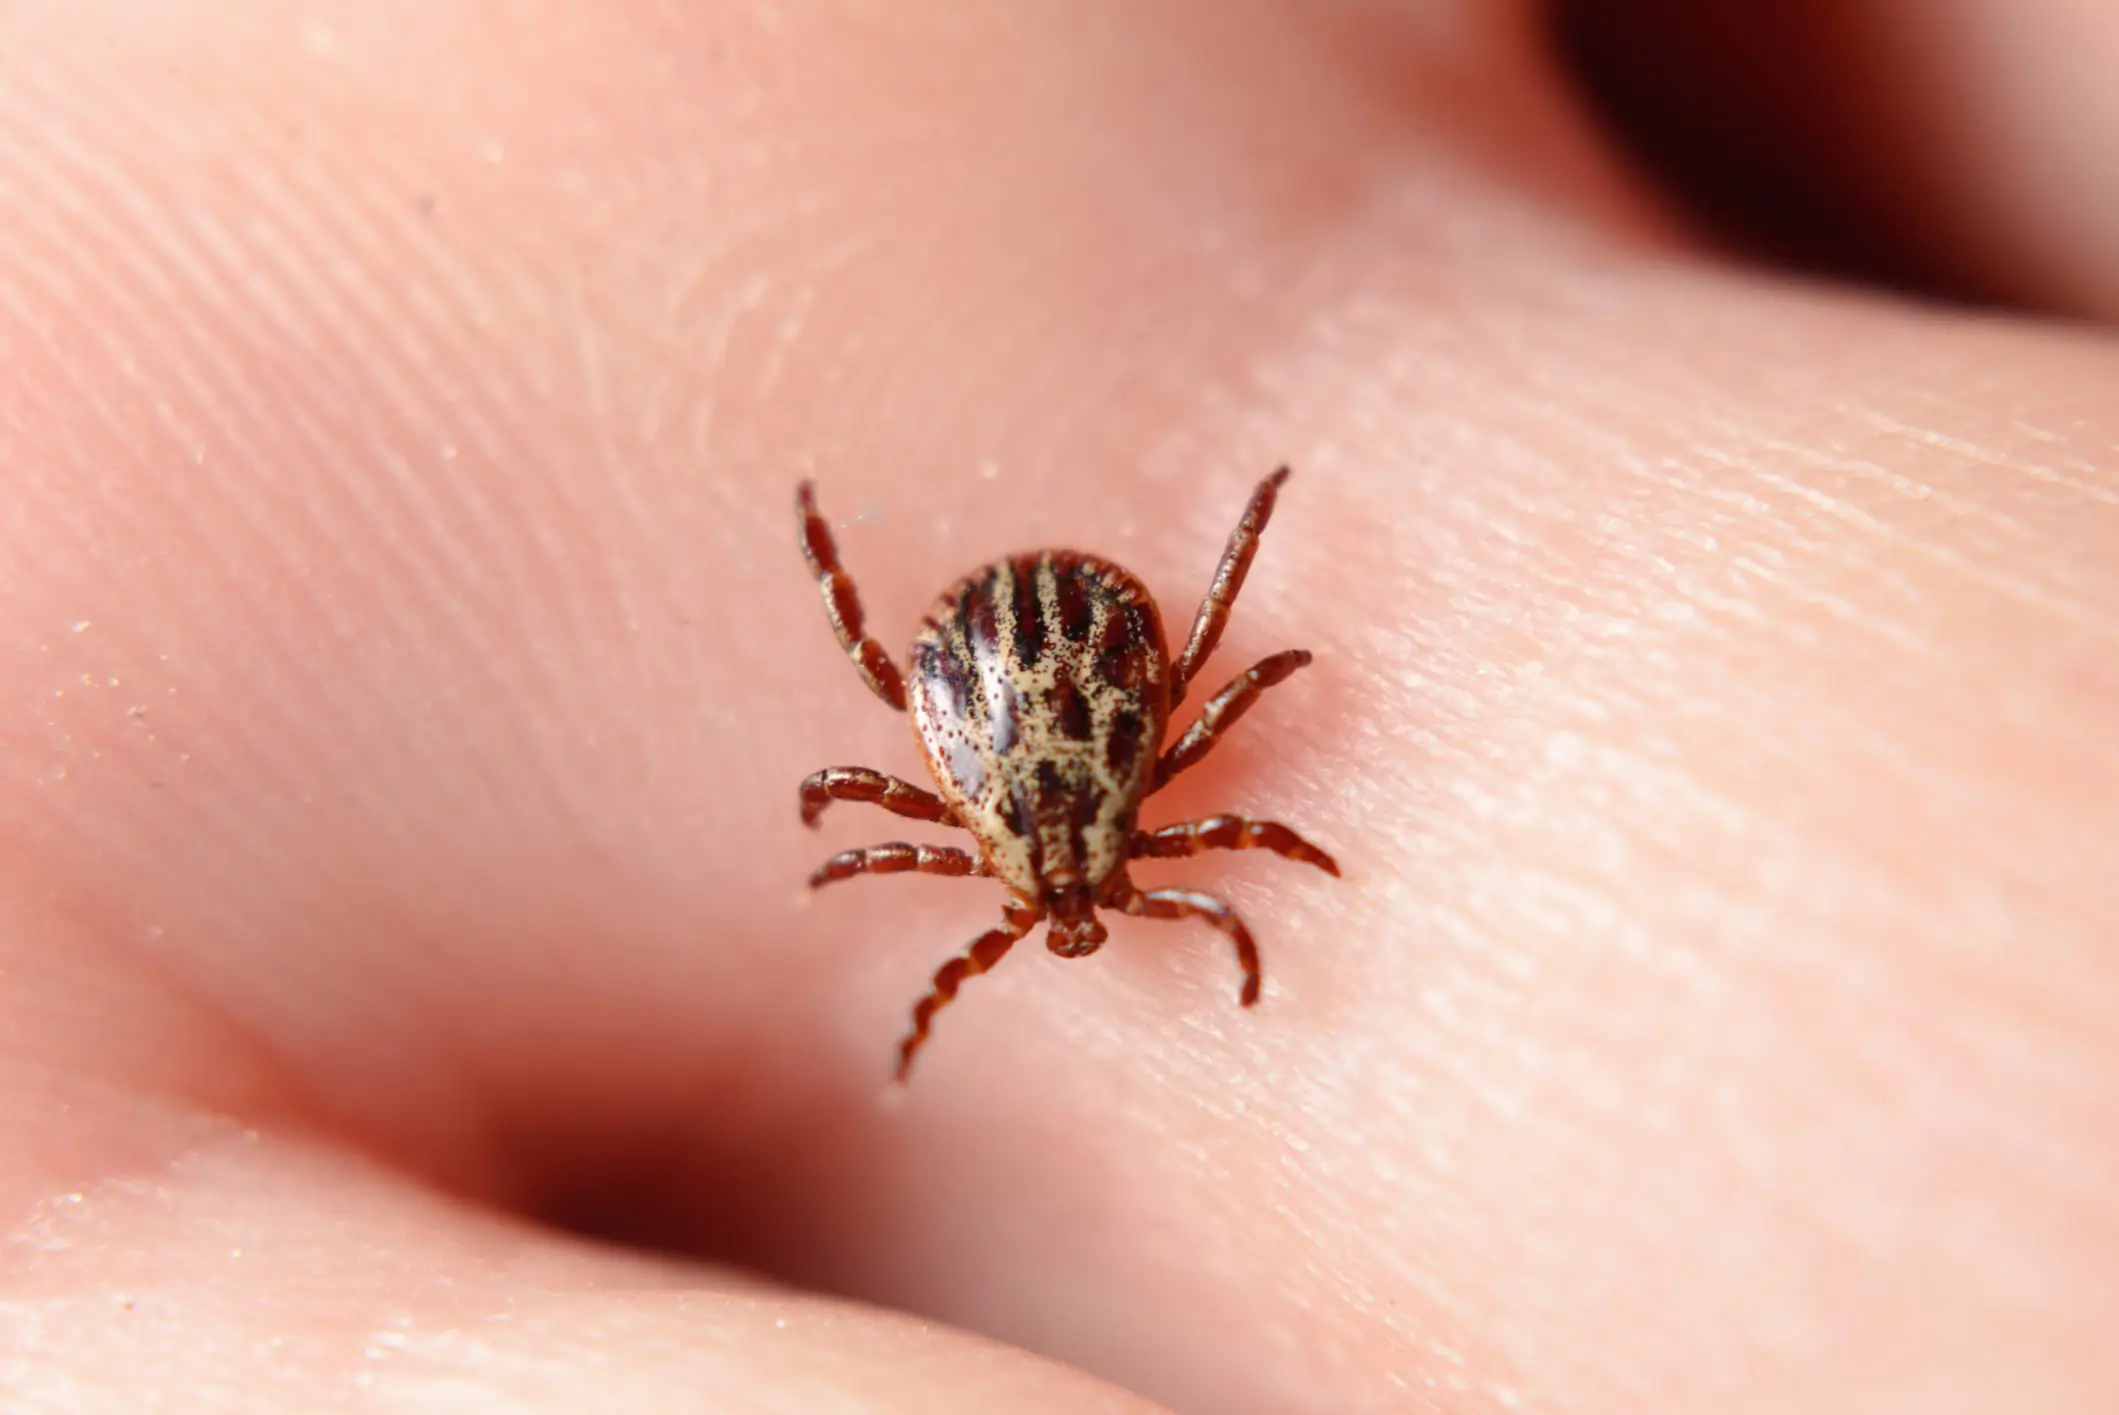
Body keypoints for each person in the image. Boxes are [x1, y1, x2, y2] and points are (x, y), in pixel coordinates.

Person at [4, 5, 2114, 1410]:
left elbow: (996, 744)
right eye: (1102, 880)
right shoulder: (1135, 820)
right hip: (1048, 646)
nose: (1094, 898)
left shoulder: (993, 846)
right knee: (1130, 661)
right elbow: (1208, 705)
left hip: (1017, 651)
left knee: (1001, 679)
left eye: (1075, 887)